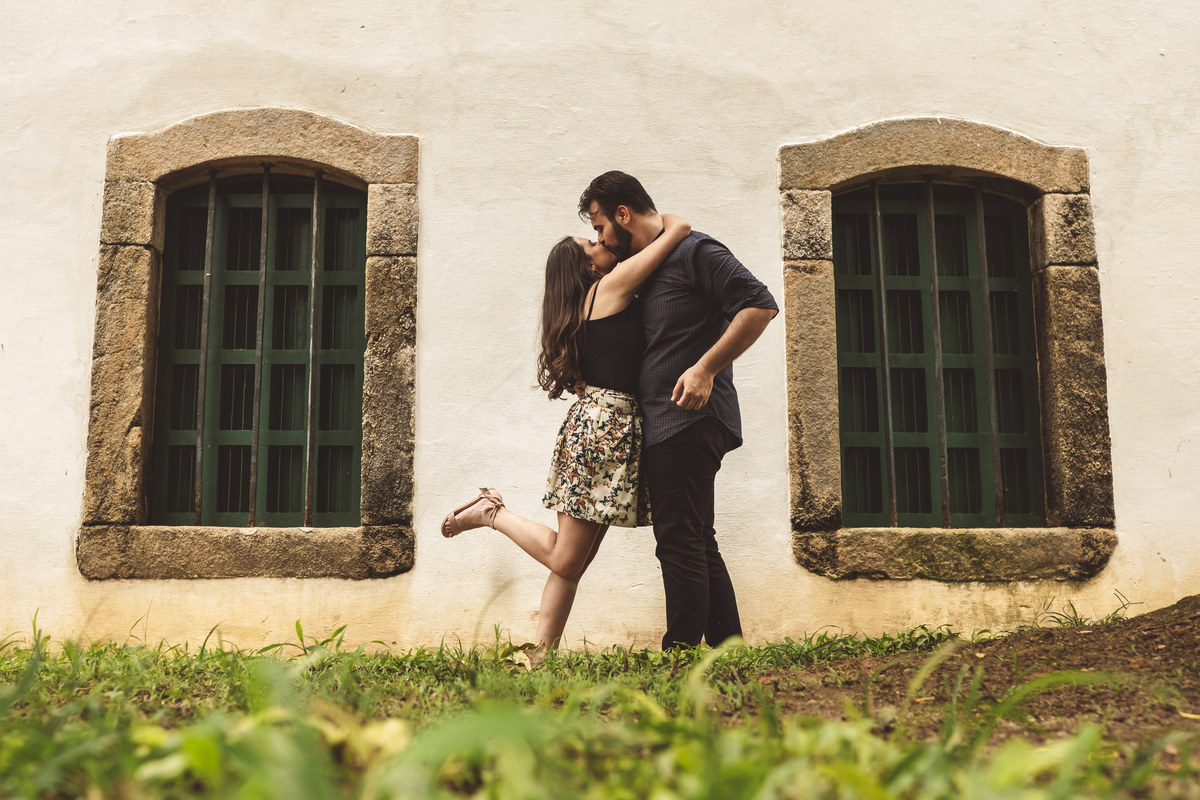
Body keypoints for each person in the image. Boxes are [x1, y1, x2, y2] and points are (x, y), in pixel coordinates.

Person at [440, 214, 692, 655]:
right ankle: (489, 512)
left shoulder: (592, 300)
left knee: (572, 563)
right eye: (592, 243)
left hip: (607, 430)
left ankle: (542, 652)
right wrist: (652, 218)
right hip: (602, 433)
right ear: (586, 268)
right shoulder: (607, 288)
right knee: (565, 556)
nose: (602, 243)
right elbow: (678, 231)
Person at [578, 171, 778, 650]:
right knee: (694, 535)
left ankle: (680, 651)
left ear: (622, 213)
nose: (600, 238)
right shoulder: (651, 263)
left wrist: (706, 368)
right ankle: (728, 645)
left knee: (677, 538)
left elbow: (759, 305)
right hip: (667, 422)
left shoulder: (697, 252)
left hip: (689, 418)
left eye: (600, 226)